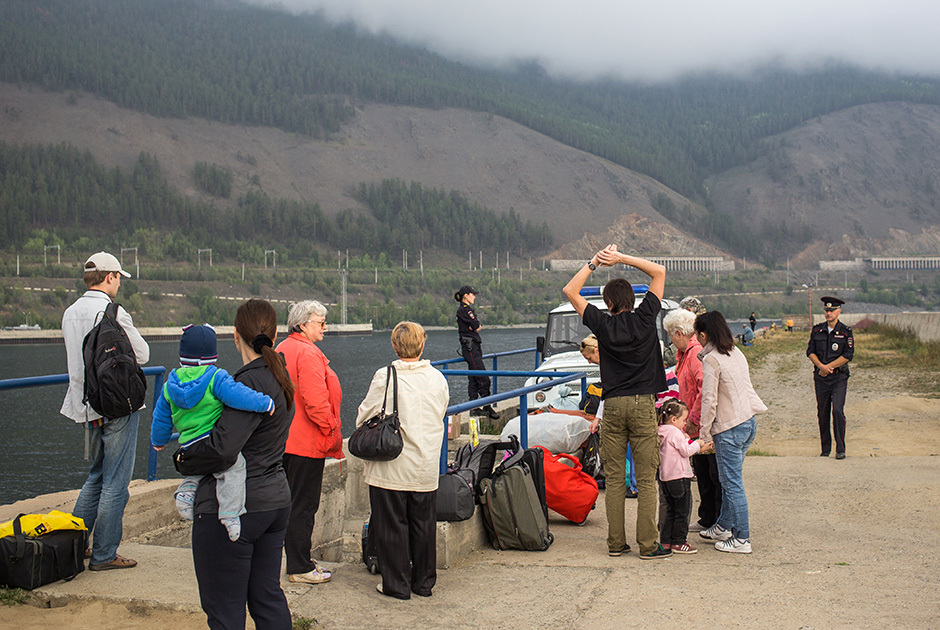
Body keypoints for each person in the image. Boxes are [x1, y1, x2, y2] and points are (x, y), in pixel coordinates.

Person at [173, 299, 294, 629]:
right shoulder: (280, 379)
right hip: (275, 499)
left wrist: (182, 459)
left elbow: (223, 450)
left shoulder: (244, 385)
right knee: (267, 598)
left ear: (235, 335)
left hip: (235, 506)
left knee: (224, 610)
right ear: (276, 333)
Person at [562, 245, 671, 560]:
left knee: (613, 476)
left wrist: (595, 262)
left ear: (608, 303)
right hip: (641, 404)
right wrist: (622, 258)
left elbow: (570, 289)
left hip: (612, 406)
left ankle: (615, 543)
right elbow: (659, 272)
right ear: (633, 300)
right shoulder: (646, 316)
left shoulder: (601, 323)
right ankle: (649, 545)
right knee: (647, 479)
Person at [60, 252, 149, 571]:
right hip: (117, 405)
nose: (119, 284)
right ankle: (105, 554)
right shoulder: (112, 311)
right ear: (110, 277)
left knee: (95, 476)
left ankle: (75, 546)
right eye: (118, 278)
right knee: (115, 481)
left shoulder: (70, 312)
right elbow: (142, 353)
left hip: (85, 405)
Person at [150, 324, 275, 542]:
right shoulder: (215, 377)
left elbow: (161, 417)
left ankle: (186, 493)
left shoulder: (170, 385)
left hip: (188, 444)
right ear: (212, 354)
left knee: (198, 471)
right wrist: (264, 403)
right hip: (212, 440)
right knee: (234, 468)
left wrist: (158, 440)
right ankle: (231, 515)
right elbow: (238, 395)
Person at [356, 322, 449, 599]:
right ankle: (423, 583)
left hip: (392, 464)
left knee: (391, 524)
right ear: (422, 345)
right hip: (426, 462)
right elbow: (441, 411)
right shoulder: (437, 378)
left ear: (394, 346)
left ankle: (395, 584)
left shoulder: (385, 376)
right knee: (423, 524)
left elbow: (365, 414)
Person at [276, 300, 344, 584]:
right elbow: (316, 402)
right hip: (306, 444)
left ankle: (292, 559)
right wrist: (332, 431)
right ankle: (300, 567)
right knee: (303, 506)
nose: (325, 327)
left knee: (284, 504)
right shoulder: (308, 354)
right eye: (320, 322)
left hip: (281, 440)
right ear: (303, 324)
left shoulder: (280, 349)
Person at [695, 311, 767, 554]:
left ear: (703, 335)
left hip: (729, 428)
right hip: (748, 422)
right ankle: (724, 525)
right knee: (729, 480)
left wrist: (704, 434)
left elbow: (709, 401)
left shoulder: (711, 360)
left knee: (732, 483)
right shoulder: (735, 352)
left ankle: (741, 538)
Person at [663, 308, 720, 534]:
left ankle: (714, 518)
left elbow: (703, 389)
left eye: (671, 335)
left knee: (711, 473)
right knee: (703, 471)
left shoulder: (696, 354)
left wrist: (693, 419)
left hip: (702, 423)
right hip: (695, 422)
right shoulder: (685, 354)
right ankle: (707, 517)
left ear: (678, 333)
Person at [577, 335, 637, 497]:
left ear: (597, 350)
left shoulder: (610, 365)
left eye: (589, 358)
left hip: (627, 409)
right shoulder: (613, 361)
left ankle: (634, 485)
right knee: (627, 449)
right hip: (624, 407)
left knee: (630, 450)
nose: (589, 362)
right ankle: (630, 483)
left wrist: (598, 418)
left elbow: (608, 392)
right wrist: (597, 418)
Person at [657, 399, 710, 554]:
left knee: (669, 510)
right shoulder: (675, 432)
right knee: (682, 511)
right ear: (674, 419)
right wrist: (698, 444)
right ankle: (679, 542)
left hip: (665, 477)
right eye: (683, 420)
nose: (685, 423)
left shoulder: (662, 431)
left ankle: (666, 541)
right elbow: (686, 451)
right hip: (679, 476)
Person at [807, 296, 854, 459]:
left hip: (838, 377)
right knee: (823, 412)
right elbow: (810, 351)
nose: (829, 313)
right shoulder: (817, 330)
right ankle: (825, 449)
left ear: (838, 311)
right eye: (827, 310)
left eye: (832, 310)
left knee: (838, 411)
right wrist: (821, 367)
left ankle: (840, 448)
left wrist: (830, 367)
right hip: (821, 377)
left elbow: (848, 355)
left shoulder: (845, 332)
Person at [455, 285, 499, 420]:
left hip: (473, 346)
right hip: (470, 347)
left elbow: (476, 326)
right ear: (466, 296)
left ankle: (474, 407)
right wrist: (474, 327)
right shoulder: (464, 310)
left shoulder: (467, 310)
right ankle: (486, 405)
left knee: (474, 377)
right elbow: (476, 326)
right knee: (482, 377)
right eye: (472, 294)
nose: (474, 297)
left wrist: (474, 327)